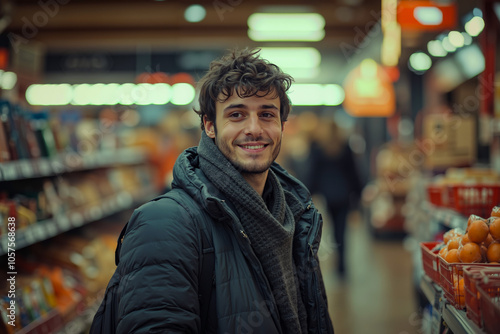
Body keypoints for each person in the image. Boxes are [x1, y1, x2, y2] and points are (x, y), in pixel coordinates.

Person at [113, 48, 334, 333]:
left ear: (282, 125)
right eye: (237, 114)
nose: (254, 129)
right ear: (209, 125)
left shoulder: (294, 215)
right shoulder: (163, 224)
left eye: (267, 114)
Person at [305, 118, 363, 277]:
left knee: (331, 228)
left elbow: (313, 173)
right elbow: (353, 173)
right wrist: (358, 195)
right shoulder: (344, 147)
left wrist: (309, 193)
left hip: (327, 195)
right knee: (341, 230)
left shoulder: (319, 148)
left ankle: (336, 262)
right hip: (344, 195)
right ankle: (342, 266)